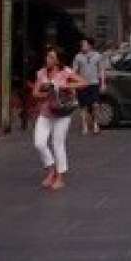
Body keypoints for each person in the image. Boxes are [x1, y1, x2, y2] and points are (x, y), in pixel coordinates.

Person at [33, 47, 88, 191]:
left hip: (62, 113)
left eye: (51, 57)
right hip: (45, 112)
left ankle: (60, 176)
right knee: (39, 143)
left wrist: (65, 85)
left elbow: (83, 83)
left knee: (57, 143)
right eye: (47, 56)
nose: (48, 59)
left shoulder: (66, 72)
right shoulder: (41, 72)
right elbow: (35, 93)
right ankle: (51, 169)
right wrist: (47, 92)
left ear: (58, 60)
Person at [73, 37, 104, 135]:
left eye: (84, 44)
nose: (82, 46)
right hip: (82, 84)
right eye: (82, 45)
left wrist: (103, 83)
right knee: (83, 106)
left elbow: (101, 70)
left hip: (94, 83)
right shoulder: (78, 57)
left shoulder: (98, 56)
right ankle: (84, 125)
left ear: (90, 45)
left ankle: (95, 124)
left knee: (95, 105)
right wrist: (74, 84)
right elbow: (74, 71)